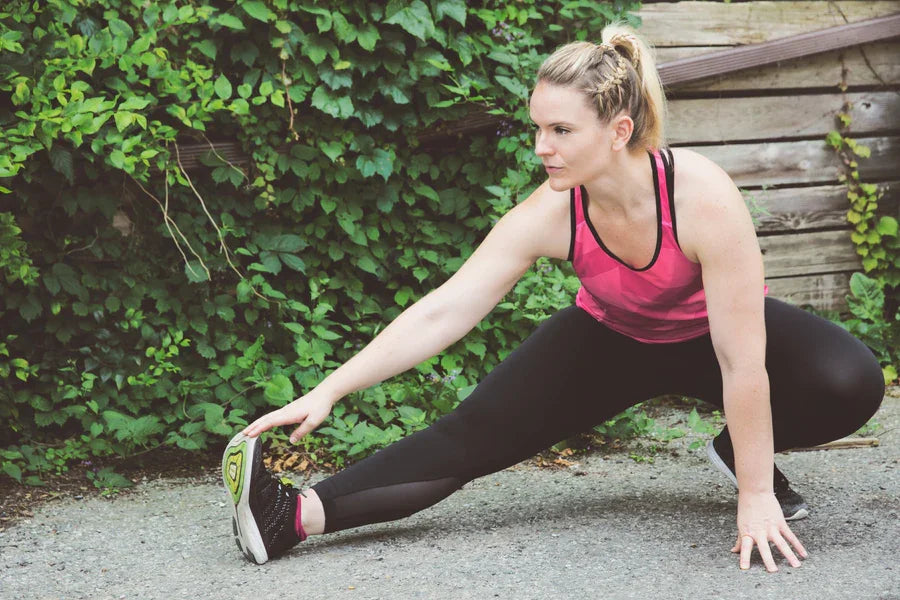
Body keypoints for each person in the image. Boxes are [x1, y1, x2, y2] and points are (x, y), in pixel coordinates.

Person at [220, 23, 885, 572]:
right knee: (466, 436)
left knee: (849, 379)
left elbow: (742, 363)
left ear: (618, 131)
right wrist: (330, 389)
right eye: (538, 128)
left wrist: (755, 491)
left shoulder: (702, 199)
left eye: (561, 131)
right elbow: (445, 309)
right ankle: (293, 516)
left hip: (711, 338)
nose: (543, 148)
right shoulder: (552, 211)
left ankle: (736, 450)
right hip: (611, 340)